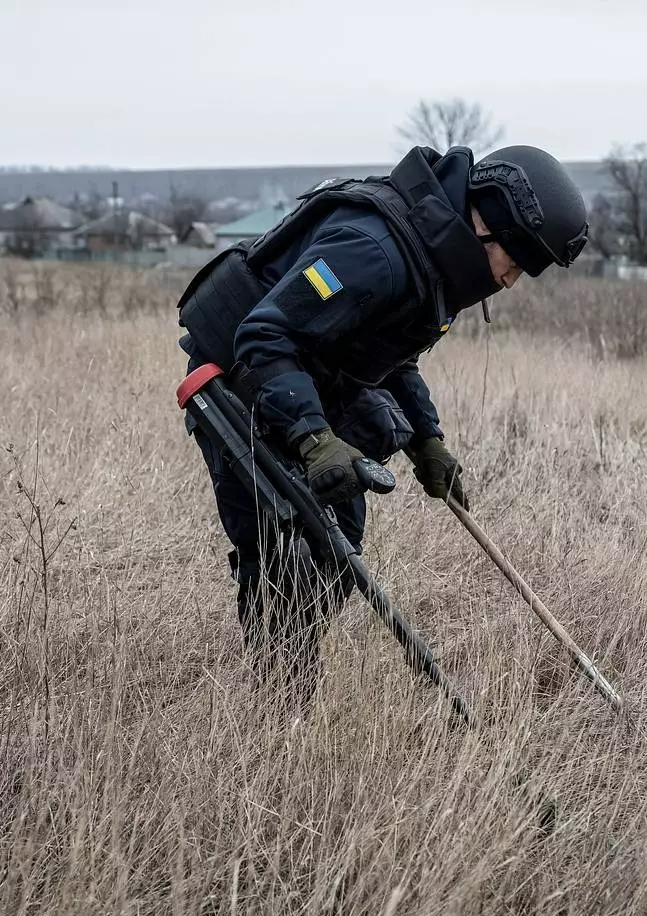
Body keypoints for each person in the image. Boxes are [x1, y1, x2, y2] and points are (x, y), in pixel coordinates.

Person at [176, 143, 589, 710]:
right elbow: (264, 334)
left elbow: (392, 353)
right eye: (512, 264)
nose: (509, 281)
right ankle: (278, 709)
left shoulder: (431, 259)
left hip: (305, 377)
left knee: (338, 544)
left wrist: (427, 439)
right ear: (483, 226)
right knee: (285, 548)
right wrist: (314, 439)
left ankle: (290, 677)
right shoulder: (373, 252)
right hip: (234, 376)